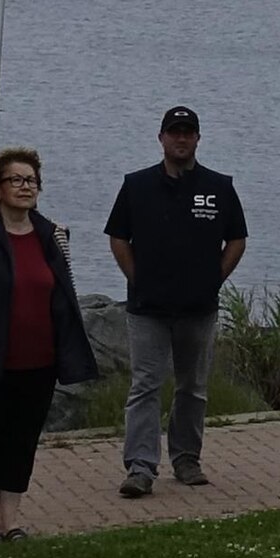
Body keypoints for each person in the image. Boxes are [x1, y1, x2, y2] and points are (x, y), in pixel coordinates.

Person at [0, 146, 97, 541]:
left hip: (37, 360)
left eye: (32, 181)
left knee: (21, 440)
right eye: (16, 180)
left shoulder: (53, 235)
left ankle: (12, 520)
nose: (26, 188)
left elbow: (61, 292)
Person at [101, 106, 248, 499]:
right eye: (174, 132)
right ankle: (141, 467)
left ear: (198, 138)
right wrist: (136, 277)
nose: (181, 139)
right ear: (161, 137)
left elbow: (237, 239)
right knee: (145, 386)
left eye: (188, 133)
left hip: (198, 309)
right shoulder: (136, 185)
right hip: (147, 309)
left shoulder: (219, 186)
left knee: (193, 387)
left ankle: (186, 459)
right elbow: (117, 236)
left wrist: (214, 278)